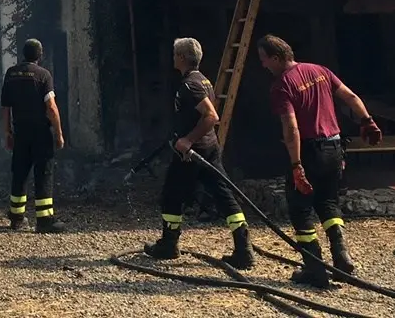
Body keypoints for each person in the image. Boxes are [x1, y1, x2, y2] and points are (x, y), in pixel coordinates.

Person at [257, 34, 382, 288]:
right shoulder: (320, 70)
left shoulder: (282, 85)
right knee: (328, 201)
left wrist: (295, 165)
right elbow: (351, 97)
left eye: (265, 60)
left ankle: (315, 268)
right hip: (335, 147)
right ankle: (341, 255)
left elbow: (291, 128)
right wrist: (367, 120)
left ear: (277, 58)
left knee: (300, 209)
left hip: (309, 151)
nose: (263, 65)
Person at [144, 37, 254, 268]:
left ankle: (168, 245)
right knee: (224, 195)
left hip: (192, 152)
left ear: (182, 58)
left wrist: (187, 140)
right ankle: (244, 249)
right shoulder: (204, 80)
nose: (173, 57)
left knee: (171, 195)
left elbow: (211, 116)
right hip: (209, 148)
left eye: (175, 54)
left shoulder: (190, 84)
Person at [1, 38, 66, 233]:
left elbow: (5, 107)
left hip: (20, 132)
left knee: (19, 173)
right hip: (40, 133)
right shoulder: (44, 75)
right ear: (40, 54)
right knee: (43, 173)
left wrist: (7, 132)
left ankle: (17, 218)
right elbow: (51, 107)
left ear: (23, 53)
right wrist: (59, 133)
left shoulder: (11, 74)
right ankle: (45, 221)